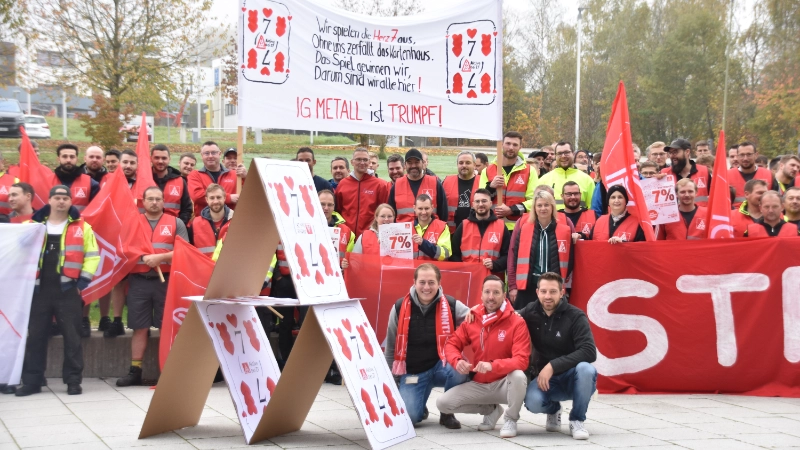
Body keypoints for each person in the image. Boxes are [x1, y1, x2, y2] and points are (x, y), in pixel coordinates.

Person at [14, 186, 99, 397]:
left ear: (70, 202)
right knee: (35, 337)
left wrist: (81, 285)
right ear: (49, 200)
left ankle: (73, 381)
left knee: (73, 338)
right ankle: (32, 381)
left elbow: (92, 256)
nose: (61, 202)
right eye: (57, 198)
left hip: (68, 290)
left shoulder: (83, 227)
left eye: (65, 198)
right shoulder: (32, 225)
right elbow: (17, 252)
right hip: (38, 290)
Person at [436, 275, 531, 438]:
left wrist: (492, 365)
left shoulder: (517, 322)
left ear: (504, 295)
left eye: (496, 292)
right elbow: (452, 343)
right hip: (480, 383)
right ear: (481, 295)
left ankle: (511, 419)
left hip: (504, 384)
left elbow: (521, 360)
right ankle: (491, 410)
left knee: (518, 376)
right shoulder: (473, 318)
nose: (491, 297)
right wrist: (456, 360)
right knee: (443, 404)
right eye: (487, 292)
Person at [117, 186, 188, 387]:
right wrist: (142, 257)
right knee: (139, 327)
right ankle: (135, 370)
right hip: (139, 282)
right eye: (150, 199)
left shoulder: (176, 222)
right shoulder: (133, 222)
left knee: (168, 327)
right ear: (143, 201)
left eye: (158, 199)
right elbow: (124, 248)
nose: (154, 202)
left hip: (167, 282)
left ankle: (169, 371)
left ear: (164, 201)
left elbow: (184, 251)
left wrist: (162, 257)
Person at [384, 264, 470, 428]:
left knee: (459, 368)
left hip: (441, 366)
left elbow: (478, 318)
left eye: (431, 282)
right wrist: (392, 381)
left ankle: (446, 412)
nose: (426, 287)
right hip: (413, 372)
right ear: (414, 282)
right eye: (422, 282)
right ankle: (419, 404)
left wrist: (510, 315)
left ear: (439, 283)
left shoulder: (452, 305)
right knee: (410, 417)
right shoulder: (399, 307)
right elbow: (390, 348)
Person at [519, 272, 597, 441]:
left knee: (586, 369)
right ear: (537, 292)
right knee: (532, 402)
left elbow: (589, 351)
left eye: (553, 291)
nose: (548, 296)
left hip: (572, 377)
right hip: (545, 380)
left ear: (562, 292)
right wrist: (476, 310)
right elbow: (507, 316)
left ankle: (577, 420)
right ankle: (554, 409)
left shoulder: (576, 316)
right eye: (544, 291)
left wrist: (553, 365)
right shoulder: (530, 311)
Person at [508, 191, 574, 308]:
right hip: (528, 287)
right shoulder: (524, 229)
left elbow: (570, 261)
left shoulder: (565, 231)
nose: (543, 208)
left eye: (546, 205)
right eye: (539, 205)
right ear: (534, 208)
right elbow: (515, 259)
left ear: (552, 207)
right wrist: (513, 286)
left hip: (553, 287)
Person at [480, 132, 538, 229]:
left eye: (515, 145)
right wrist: (491, 187)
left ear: (520, 147)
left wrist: (512, 210)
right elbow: (480, 199)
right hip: (492, 225)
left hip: (519, 226)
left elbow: (534, 200)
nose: (511, 147)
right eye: (508, 143)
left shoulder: (529, 171)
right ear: (502, 144)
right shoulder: (487, 171)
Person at [450, 189, 510, 277]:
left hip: (492, 279)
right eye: (477, 201)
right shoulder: (463, 225)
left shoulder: (501, 226)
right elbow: (453, 254)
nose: (480, 204)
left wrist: (494, 264)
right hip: (468, 278)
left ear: (490, 203)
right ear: (473, 204)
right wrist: (463, 268)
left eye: (484, 201)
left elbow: (508, 255)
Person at [335, 147, 390, 236]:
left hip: (371, 236)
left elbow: (384, 212)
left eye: (365, 160)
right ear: (352, 162)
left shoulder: (380, 185)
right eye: (358, 159)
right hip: (346, 235)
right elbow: (338, 211)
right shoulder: (343, 184)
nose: (362, 162)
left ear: (369, 162)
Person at [389, 149, 448, 223]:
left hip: (429, 231)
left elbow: (443, 212)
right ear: (405, 165)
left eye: (417, 162)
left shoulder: (435, 183)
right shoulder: (397, 185)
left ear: (423, 163)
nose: (413, 166)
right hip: (405, 232)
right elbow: (391, 213)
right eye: (410, 163)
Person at [538, 142, 595, 212]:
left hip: (578, 222)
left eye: (566, 152)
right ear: (555, 156)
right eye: (559, 153)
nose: (563, 156)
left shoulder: (587, 180)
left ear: (573, 154)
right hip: (554, 222)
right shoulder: (544, 180)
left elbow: (592, 209)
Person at [188, 141, 239, 217]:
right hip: (204, 222)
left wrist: (245, 176)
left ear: (219, 154)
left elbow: (248, 192)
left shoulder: (235, 175)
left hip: (230, 222)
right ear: (202, 155)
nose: (210, 156)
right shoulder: (195, 175)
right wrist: (229, 198)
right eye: (207, 153)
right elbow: (197, 196)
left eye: (214, 153)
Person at [662, 139, 712, 207]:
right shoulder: (664, 174)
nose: (672, 156)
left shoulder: (704, 171)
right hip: (675, 217)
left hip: (700, 216)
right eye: (670, 153)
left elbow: (716, 196)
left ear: (687, 152)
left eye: (675, 152)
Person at [150, 144, 192, 224]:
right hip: (147, 228)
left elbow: (187, 209)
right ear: (151, 158)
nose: (160, 161)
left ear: (169, 159)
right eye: (157, 158)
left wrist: (178, 225)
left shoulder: (180, 181)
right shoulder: (143, 180)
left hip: (172, 229)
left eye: (164, 158)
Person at [53, 144, 100, 212]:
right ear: (58, 159)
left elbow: (95, 211)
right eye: (64, 156)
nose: (68, 160)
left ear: (77, 159)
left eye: (72, 157)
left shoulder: (91, 184)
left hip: (81, 222)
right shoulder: (46, 181)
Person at [190, 184, 233, 258]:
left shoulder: (236, 222)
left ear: (224, 198)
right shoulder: (195, 223)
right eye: (212, 198)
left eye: (218, 197)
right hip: (204, 268)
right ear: (207, 200)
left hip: (229, 268)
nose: (215, 201)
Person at [442, 151, 479, 232]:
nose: (464, 166)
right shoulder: (447, 181)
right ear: (457, 165)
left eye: (468, 163)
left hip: (475, 231)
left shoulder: (482, 181)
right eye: (461, 163)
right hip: (451, 231)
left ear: (474, 165)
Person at [729, 141, 773, 208]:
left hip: (762, 216)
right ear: (737, 156)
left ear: (756, 155)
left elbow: (776, 200)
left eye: (749, 154)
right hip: (735, 216)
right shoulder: (727, 175)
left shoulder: (769, 175)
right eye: (742, 155)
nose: (745, 158)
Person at [319, 190, 354, 265]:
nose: (326, 208)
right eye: (322, 204)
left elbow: (351, 259)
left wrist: (347, 264)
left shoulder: (346, 231)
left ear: (334, 206)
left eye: (330, 205)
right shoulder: (307, 228)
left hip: (338, 274)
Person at [412, 194, 451, 261]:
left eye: (427, 208)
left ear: (432, 208)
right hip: (411, 270)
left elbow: (445, 254)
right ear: (414, 208)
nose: (423, 212)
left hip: (432, 270)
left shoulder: (442, 227)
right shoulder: (407, 227)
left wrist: (423, 243)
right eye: (420, 208)